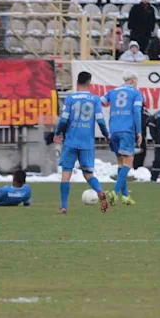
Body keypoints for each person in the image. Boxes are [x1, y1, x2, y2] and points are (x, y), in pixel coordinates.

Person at [52, 71, 110, 213]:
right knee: (88, 173)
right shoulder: (95, 99)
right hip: (87, 142)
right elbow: (101, 121)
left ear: (77, 83)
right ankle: (99, 191)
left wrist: (57, 133)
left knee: (66, 173)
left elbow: (64, 119)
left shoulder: (70, 98)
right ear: (89, 83)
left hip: (71, 141)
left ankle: (64, 206)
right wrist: (106, 135)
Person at [101, 71, 144, 206]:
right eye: (136, 80)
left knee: (120, 163)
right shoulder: (136, 93)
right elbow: (137, 112)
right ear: (132, 80)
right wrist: (139, 131)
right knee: (128, 163)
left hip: (114, 130)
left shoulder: (112, 92)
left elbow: (100, 102)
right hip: (127, 130)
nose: (136, 83)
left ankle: (125, 196)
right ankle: (114, 192)